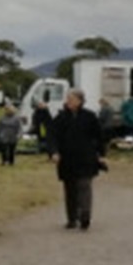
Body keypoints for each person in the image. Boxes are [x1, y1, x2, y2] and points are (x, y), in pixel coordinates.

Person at [50, 89, 106, 230]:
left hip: (86, 157)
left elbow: (99, 136)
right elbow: (52, 136)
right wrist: (54, 152)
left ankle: (85, 215)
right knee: (70, 189)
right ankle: (71, 218)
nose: (69, 101)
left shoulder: (89, 117)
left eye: (72, 99)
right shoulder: (61, 118)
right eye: (68, 99)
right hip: (67, 159)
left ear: (80, 101)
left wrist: (101, 154)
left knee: (84, 186)